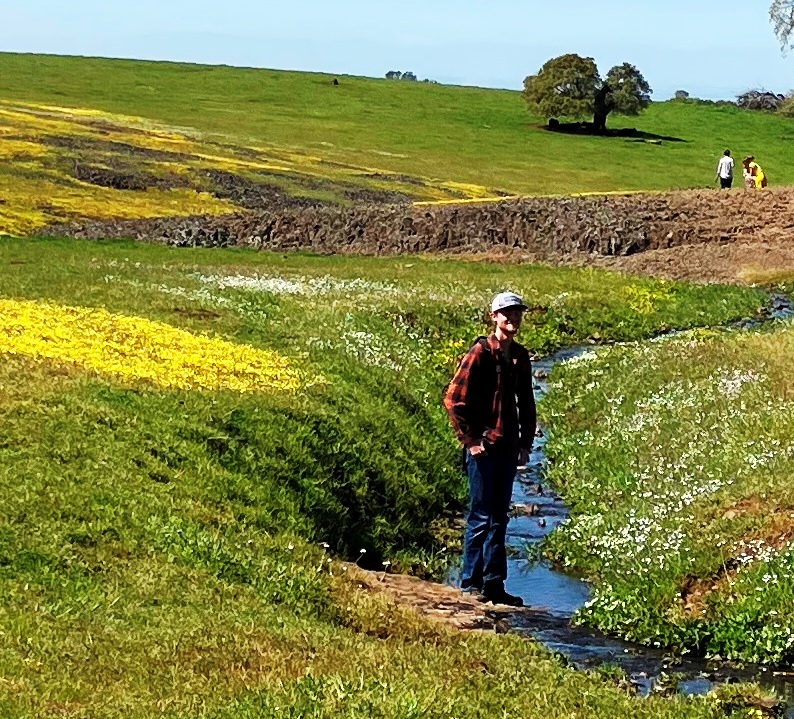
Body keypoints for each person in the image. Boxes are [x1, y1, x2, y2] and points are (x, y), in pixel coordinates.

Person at [443, 291, 536, 607]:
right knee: (481, 516)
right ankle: (471, 584)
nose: (513, 318)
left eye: (517, 313)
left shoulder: (519, 356)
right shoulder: (480, 353)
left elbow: (527, 403)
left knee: (499, 518)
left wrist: (525, 444)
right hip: (483, 449)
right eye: (507, 313)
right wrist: (470, 441)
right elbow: (453, 400)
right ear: (494, 316)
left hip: (507, 448)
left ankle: (494, 585)